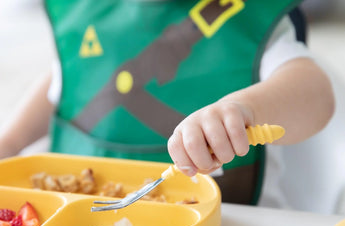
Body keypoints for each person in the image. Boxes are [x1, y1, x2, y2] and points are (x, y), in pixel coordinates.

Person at [0, 0, 334, 206]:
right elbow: (70, 79)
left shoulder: (249, 18)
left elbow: (315, 93)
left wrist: (245, 110)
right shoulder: (83, 10)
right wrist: (11, 141)